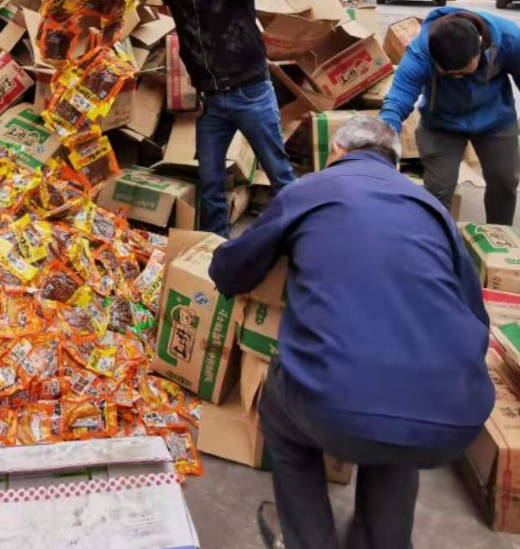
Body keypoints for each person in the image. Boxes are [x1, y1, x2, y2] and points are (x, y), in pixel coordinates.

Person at [209, 116, 493, 549]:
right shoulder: (433, 210)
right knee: (400, 426)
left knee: (282, 421)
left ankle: (309, 541)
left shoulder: (309, 191)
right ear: (395, 166)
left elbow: (230, 270)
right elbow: (476, 314)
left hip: (334, 407)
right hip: (456, 415)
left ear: (336, 153)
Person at [165, 0, 296, 237]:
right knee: (209, 183)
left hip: (250, 94)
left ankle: (298, 241)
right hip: (213, 103)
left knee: (280, 173)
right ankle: (213, 250)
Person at [380, 6, 520, 225]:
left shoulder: (507, 37)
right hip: (440, 124)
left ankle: (499, 239)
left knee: (505, 184)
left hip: (495, 119)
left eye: (463, 72)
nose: (457, 77)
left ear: (479, 48)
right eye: (450, 74)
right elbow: (399, 95)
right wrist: (385, 133)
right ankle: (438, 244)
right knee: (438, 190)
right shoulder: (421, 51)